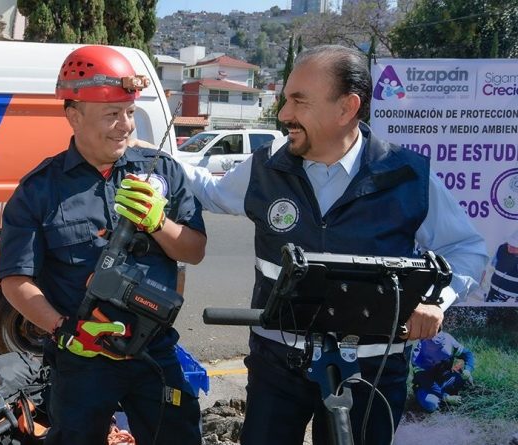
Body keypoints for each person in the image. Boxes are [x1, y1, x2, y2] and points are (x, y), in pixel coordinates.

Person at [180, 44, 488, 445]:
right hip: (278, 366)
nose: (284, 114)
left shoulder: (407, 177)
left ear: (347, 108)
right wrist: (143, 156)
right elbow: (208, 190)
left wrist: (435, 302)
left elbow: (467, 248)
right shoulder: (266, 167)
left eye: (299, 101)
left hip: (371, 373)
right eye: (285, 99)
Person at [0, 45, 206, 445]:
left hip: (154, 351)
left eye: (129, 112)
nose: (125, 126)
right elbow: (15, 281)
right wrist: (66, 330)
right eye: (112, 114)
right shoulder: (39, 190)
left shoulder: (162, 172)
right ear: (74, 115)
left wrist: (158, 223)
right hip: (82, 359)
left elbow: (194, 251)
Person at [411, 331, 475, 413]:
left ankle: (456, 395)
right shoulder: (417, 357)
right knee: (431, 404)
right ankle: (443, 402)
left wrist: (468, 369)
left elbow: (467, 354)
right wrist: (446, 397)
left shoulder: (449, 340)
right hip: (427, 387)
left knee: (467, 378)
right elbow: (427, 383)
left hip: (446, 379)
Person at [483, 229, 518, 302]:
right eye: (510, 244)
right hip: (493, 291)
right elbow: (492, 266)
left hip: (511, 299)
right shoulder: (502, 249)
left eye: (515, 246)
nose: (510, 248)